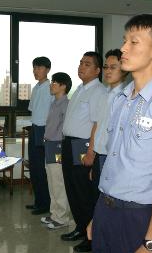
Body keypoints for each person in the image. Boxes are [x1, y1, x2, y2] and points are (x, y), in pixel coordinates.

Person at [92, 14, 152, 253]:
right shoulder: (121, 99)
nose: (124, 48)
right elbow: (115, 164)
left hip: (138, 215)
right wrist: (97, 217)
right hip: (106, 208)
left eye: (133, 42)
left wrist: (151, 242)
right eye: (124, 40)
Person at [61, 51, 106, 253]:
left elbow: (98, 123)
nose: (81, 66)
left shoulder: (98, 92)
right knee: (72, 188)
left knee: (83, 191)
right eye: (80, 62)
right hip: (69, 143)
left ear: (97, 70)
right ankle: (80, 227)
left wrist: (91, 153)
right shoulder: (80, 89)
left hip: (83, 145)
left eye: (87, 64)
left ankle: (90, 236)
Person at [40, 72, 72, 229]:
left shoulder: (66, 105)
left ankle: (62, 218)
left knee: (59, 182)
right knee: (52, 182)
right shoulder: (54, 103)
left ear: (63, 86)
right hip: (49, 145)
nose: (51, 85)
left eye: (54, 83)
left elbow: (65, 129)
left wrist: (54, 140)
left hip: (58, 146)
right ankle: (54, 214)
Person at [25, 56, 54, 215]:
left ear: (47, 69)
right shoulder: (36, 87)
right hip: (35, 128)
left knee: (43, 169)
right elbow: (33, 110)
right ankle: (38, 201)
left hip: (45, 130)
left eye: (39, 68)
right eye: (34, 68)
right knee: (35, 168)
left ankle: (45, 204)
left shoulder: (50, 88)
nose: (36, 71)